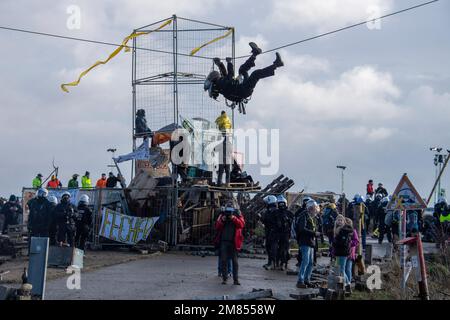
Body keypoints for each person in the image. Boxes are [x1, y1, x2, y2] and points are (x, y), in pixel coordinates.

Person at [204, 43, 284, 106]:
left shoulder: (221, 85)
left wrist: (220, 64)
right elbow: (230, 75)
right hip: (244, 89)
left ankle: (255, 54)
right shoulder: (222, 84)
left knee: (242, 70)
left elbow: (224, 75)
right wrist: (229, 63)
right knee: (255, 74)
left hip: (242, 88)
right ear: (213, 80)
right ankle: (276, 64)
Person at [214, 202, 245, 285]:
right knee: (223, 260)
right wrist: (222, 220)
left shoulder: (237, 214)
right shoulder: (222, 215)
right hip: (224, 241)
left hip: (234, 242)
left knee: (235, 261)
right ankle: (224, 278)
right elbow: (217, 227)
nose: (229, 212)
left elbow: (241, 225)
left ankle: (236, 279)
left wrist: (234, 218)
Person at [296, 200, 321, 288]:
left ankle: (307, 279)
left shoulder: (311, 217)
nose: (316, 211)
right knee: (305, 261)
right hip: (305, 241)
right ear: (310, 208)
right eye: (314, 209)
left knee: (310, 262)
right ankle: (300, 280)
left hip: (310, 242)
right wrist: (314, 233)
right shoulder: (304, 216)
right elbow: (302, 229)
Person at [331, 214, 354, 292]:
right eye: (338, 220)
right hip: (338, 252)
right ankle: (347, 284)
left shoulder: (344, 230)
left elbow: (343, 242)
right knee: (340, 269)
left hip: (343, 252)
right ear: (336, 221)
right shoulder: (337, 229)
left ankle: (347, 283)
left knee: (341, 269)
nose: (340, 221)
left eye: (341, 220)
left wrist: (334, 243)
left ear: (344, 221)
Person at [274, 195, 294, 271]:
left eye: (283, 204)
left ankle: (283, 263)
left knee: (285, 249)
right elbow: (271, 222)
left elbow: (293, 222)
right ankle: (276, 262)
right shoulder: (275, 212)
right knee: (276, 249)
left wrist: (288, 220)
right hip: (277, 233)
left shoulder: (289, 213)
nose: (281, 206)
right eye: (280, 204)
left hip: (286, 233)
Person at [261, 195, 278, 270]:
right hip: (270, 231)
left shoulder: (272, 211)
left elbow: (267, 220)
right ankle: (271, 263)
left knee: (271, 248)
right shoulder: (270, 210)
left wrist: (262, 218)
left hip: (272, 232)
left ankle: (271, 263)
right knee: (269, 247)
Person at [344, 218, 359, 294]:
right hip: (343, 252)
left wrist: (349, 243)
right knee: (344, 269)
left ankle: (348, 283)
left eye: (347, 223)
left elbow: (356, 241)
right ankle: (346, 284)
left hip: (350, 252)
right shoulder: (341, 230)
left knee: (348, 269)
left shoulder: (353, 231)